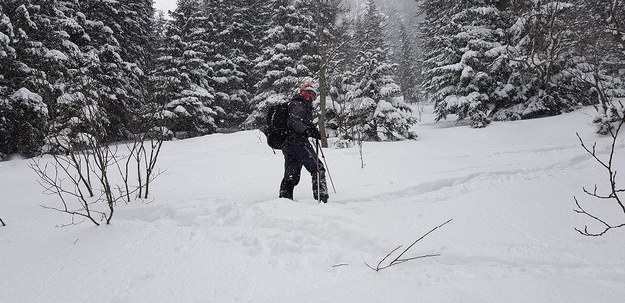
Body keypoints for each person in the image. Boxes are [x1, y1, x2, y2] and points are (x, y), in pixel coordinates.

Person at [279, 82, 329, 203]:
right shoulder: (299, 104)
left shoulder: (296, 104)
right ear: (302, 93)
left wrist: (311, 129)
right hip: (298, 142)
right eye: (308, 94)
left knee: (292, 174)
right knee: (318, 167)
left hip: (288, 143)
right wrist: (307, 130)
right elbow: (295, 121)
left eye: (313, 95)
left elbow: (299, 121)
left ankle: (284, 201)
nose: (310, 97)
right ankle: (321, 198)